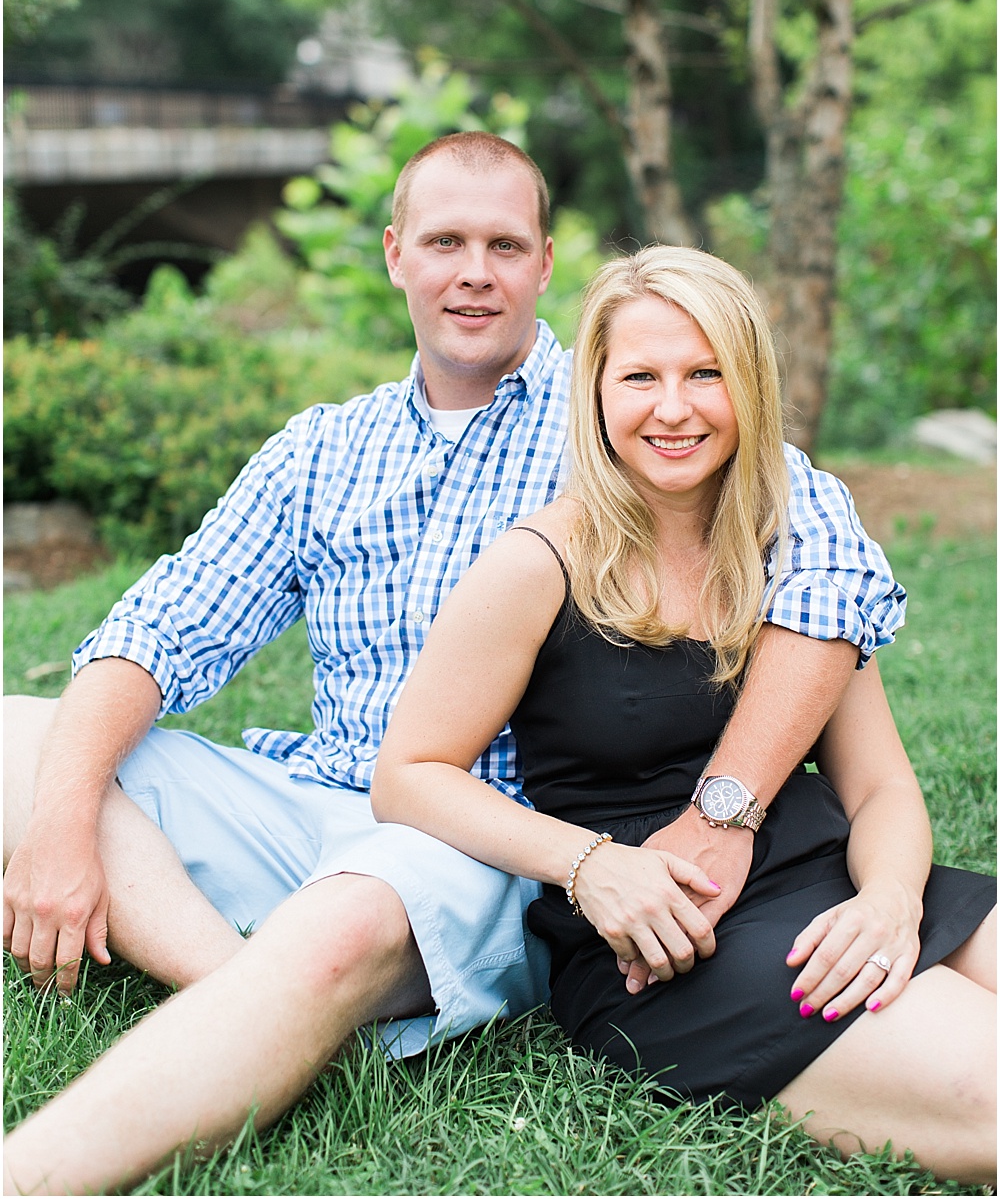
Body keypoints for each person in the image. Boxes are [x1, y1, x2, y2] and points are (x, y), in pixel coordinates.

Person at [4, 136, 902, 1196]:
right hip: (317, 792)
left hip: (492, 843)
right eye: (444, 242)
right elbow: (157, 629)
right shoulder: (322, 449)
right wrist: (59, 827)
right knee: (26, 735)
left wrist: (721, 811)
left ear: (544, 263)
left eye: (503, 244)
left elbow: (813, 535)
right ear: (396, 255)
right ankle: (251, 999)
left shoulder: (622, 408)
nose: (473, 270)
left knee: (347, 917)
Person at [372, 245, 996, 1186]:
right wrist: (590, 865)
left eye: (706, 373)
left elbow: (881, 789)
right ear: (596, 395)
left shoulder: (797, 558)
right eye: (641, 376)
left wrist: (890, 903)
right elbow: (408, 774)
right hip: (671, 948)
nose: (674, 407)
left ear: (749, 385)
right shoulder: (538, 563)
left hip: (836, 884)